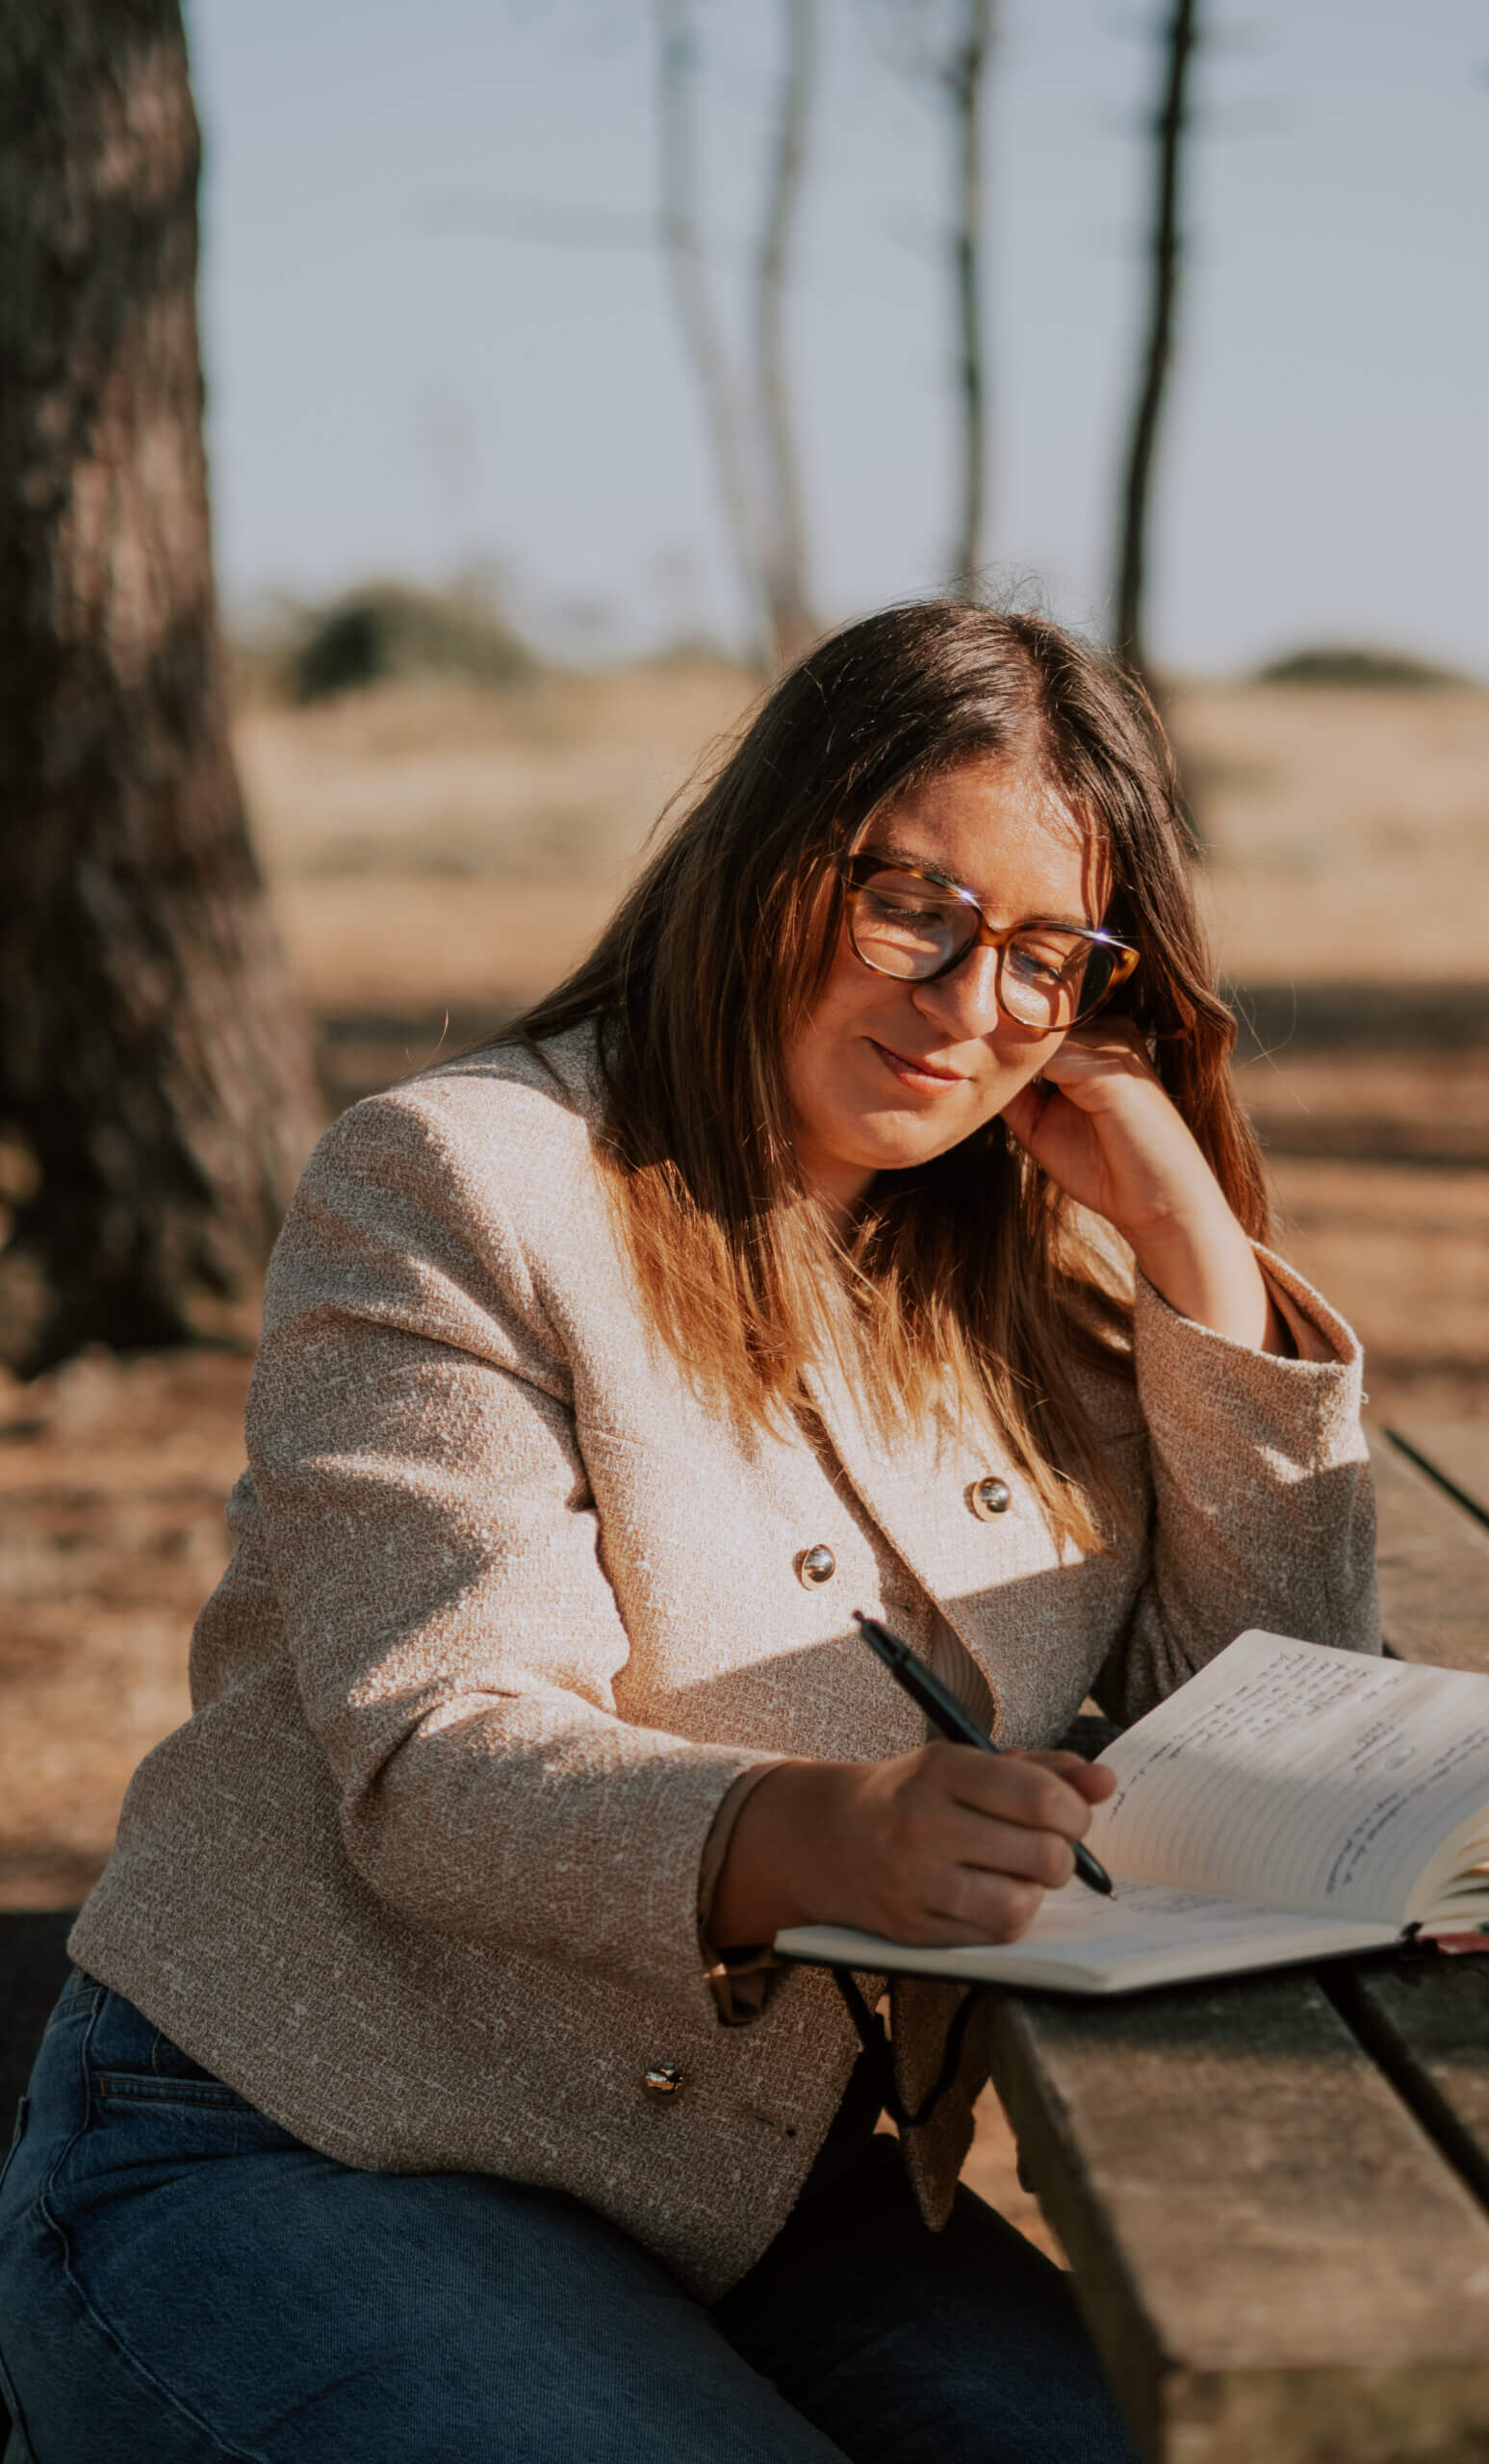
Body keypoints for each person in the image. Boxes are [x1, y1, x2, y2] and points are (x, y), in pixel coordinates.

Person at [0, 602, 1376, 2463]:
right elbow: (439, 1752)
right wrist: (813, 1835)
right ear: (766, 861)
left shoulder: (1012, 1274)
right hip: (306, 2142)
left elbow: (1251, 1714)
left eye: (1047, 955)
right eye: (913, 908)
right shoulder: (459, 1180)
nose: (973, 1007)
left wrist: (1197, 1250)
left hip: (759, 2198)